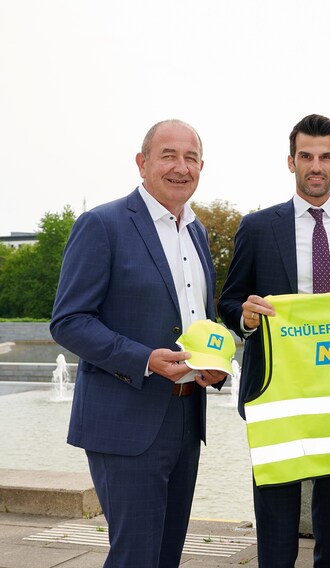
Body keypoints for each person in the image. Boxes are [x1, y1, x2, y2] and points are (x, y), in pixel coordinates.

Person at [218, 113, 330, 567]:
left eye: (325, 156)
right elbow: (230, 301)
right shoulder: (257, 227)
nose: (315, 166)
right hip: (278, 392)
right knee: (276, 515)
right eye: (306, 156)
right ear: (291, 161)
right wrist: (248, 319)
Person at [50, 119, 228, 567]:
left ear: (201, 167)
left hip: (187, 415)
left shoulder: (197, 232)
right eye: (168, 155)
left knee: (167, 557)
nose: (180, 167)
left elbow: (196, 318)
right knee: (135, 557)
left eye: (191, 158)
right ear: (142, 162)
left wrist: (215, 361)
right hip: (126, 421)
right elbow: (69, 321)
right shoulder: (102, 225)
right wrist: (144, 359)